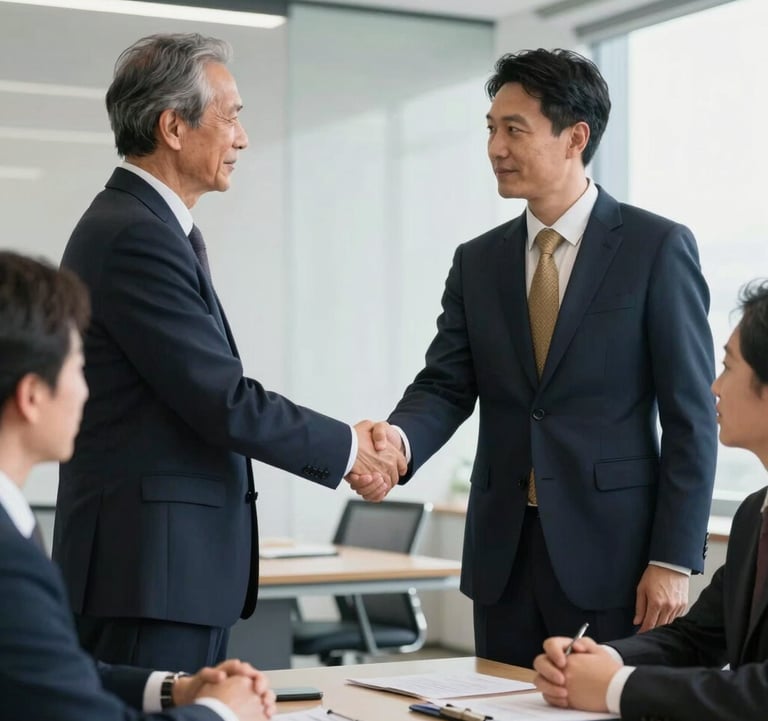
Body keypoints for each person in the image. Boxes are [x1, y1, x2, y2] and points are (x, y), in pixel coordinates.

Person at [350, 48, 718, 666]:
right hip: (503, 557)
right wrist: (399, 445)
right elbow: (445, 384)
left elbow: (691, 416)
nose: (495, 147)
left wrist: (672, 557)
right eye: (491, 129)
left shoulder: (656, 248)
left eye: (514, 129)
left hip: (616, 559)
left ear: (576, 136)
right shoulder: (478, 260)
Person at [55, 32, 405, 672]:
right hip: (148, 580)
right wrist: (351, 450)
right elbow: (220, 399)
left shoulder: (147, 226)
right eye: (232, 116)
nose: (242, 138)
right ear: (173, 128)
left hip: (169, 574)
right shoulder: (134, 236)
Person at [0, 251, 277, 721]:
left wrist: (177, 689)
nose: (88, 390)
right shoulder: (9, 563)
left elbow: (51, 677)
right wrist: (221, 714)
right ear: (30, 396)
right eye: (78, 369)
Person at [533, 279, 768, 721]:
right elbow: (697, 640)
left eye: (729, 368)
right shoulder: (755, 514)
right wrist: (601, 660)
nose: (714, 387)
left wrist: (615, 688)